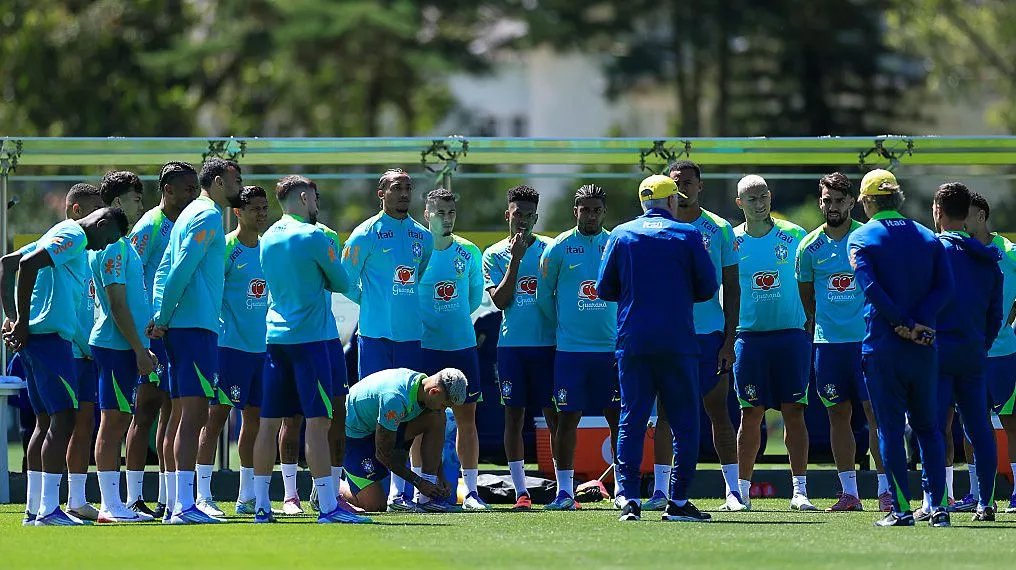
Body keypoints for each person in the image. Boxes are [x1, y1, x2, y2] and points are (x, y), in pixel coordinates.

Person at [597, 174, 717, 523]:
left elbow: (605, 289)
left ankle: (628, 499)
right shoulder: (688, 234)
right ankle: (677, 502)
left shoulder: (620, 234)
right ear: (671, 201)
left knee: (631, 420)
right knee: (684, 423)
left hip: (633, 339)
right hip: (677, 341)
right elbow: (708, 287)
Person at [253, 175, 370, 524]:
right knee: (318, 423)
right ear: (304, 197)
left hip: (276, 339)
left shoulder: (267, 238)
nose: (317, 204)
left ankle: (261, 506)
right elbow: (343, 282)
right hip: (311, 339)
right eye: (315, 198)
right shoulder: (315, 235)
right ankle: (328, 508)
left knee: (268, 424)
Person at [1, 206, 127, 525]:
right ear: (100, 223)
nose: (103, 246)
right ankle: (49, 510)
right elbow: (26, 265)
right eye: (107, 237)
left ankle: (34, 509)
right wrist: (22, 323)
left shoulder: (58, 232)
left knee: (45, 422)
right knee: (64, 420)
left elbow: (7, 264)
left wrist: (15, 320)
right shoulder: (74, 235)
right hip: (50, 340)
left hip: (39, 339)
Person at [847, 169, 953, 527]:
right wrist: (919, 324)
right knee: (929, 427)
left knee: (889, 429)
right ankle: (937, 508)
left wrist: (902, 324)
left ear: (866, 201)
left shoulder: (861, 238)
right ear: (899, 198)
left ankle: (902, 509)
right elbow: (945, 288)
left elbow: (871, 288)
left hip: (883, 346)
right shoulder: (928, 237)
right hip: (924, 345)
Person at [650, 160, 745, 512]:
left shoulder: (719, 229)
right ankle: (661, 489)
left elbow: (732, 287)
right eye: (676, 183)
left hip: (708, 335)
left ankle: (733, 491)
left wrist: (729, 339)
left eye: (688, 182)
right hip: (669, 335)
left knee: (718, 409)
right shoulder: (657, 227)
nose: (682, 188)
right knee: (665, 412)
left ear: (700, 186)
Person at [151, 157, 241, 524]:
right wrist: (163, 317)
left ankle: (176, 503)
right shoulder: (205, 215)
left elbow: (163, 270)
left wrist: (160, 314)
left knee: (179, 418)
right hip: (192, 328)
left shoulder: (189, 214)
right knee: (193, 417)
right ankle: (184, 507)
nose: (240, 186)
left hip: (185, 325)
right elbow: (180, 268)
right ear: (218, 182)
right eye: (237, 180)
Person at [795, 172, 889, 512]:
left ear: (852, 202)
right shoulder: (809, 246)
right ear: (821, 201)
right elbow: (808, 298)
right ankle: (849, 493)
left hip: (867, 343)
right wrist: (821, 327)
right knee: (838, 415)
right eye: (826, 200)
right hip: (829, 346)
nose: (832, 207)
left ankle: (885, 490)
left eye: (839, 200)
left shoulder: (867, 238)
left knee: (876, 415)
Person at [342, 168, 432, 509]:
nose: (404, 193)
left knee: (408, 413)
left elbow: (418, 273)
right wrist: (370, 300)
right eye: (397, 187)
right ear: (382, 193)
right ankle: (365, 482)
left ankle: (401, 491)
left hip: (410, 337)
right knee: (377, 413)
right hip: (375, 337)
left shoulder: (421, 237)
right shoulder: (365, 232)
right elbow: (346, 278)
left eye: (408, 188)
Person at [730, 175, 815, 511]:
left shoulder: (794, 235)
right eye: (751, 198)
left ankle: (800, 491)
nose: (759, 203)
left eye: (763, 196)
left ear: (770, 196)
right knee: (749, 414)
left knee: (795, 411)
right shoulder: (731, 240)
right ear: (740, 204)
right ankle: (741, 493)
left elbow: (811, 278)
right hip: (748, 337)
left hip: (791, 335)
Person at [536, 184, 620, 511]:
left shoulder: (615, 243)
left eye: (596, 209)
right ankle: (564, 492)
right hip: (570, 351)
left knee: (618, 419)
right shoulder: (558, 247)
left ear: (604, 211)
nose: (591, 215)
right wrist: (563, 326)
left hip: (610, 350)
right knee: (567, 419)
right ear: (576, 211)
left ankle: (624, 488)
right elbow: (545, 295)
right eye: (585, 209)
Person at [921, 183, 1001, 523]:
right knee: (979, 429)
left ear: (938, 212)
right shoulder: (987, 259)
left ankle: (935, 503)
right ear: (966, 214)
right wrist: (979, 345)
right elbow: (995, 316)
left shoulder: (929, 252)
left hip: (936, 354)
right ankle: (985, 503)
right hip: (972, 353)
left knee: (933, 429)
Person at [125, 161, 198, 518]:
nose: (193, 195)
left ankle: (170, 498)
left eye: (195, 188)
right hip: (152, 333)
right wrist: (144, 328)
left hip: (174, 329)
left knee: (173, 411)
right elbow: (128, 273)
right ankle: (132, 497)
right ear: (167, 190)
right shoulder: (151, 225)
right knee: (146, 410)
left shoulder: (187, 223)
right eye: (187, 189)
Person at [191, 185, 270, 517]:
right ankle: (202, 495)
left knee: (254, 421)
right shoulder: (224, 248)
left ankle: (246, 495)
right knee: (215, 420)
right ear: (237, 212)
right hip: (228, 349)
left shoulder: (270, 249)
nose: (262, 214)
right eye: (255, 208)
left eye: (265, 208)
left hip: (262, 351)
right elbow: (208, 293)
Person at [482, 185, 557, 511]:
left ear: (536, 217)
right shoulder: (494, 254)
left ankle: (564, 489)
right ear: (507, 215)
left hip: (549, 346)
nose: (522, 221)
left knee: (555, 417)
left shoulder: (552, 249)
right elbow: (501, 300)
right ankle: (521, 492)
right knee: (514, 417)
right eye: (517, 215)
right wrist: (515, 259)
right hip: (512, 347)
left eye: (528, 216)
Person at [89, 170, 158, 523]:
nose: (139, 205)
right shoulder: (114, 245)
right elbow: (117, 305)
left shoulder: (120, 242)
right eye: (134, 198)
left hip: (123, 346)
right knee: (113, 421)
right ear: (116, 202)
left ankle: (116, 503)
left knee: (119, 418)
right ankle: (109, 505)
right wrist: (138, 349)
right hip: (117, 347)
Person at [418, 188, 487, 510]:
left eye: (451, 213)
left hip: (461, 344)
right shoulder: (416, 249)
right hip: (425, 346)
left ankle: (471, 491)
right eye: (439, 212)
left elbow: (473, 299)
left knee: (466, 418)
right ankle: (420, 488)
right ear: (426, 214)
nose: (446, 219)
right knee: (420, 419)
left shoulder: (469, 251)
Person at [340, 367, 468, 512]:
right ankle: (330, 488)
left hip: (377, 429)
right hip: (353, 438)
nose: (444, 408)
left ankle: (426, 499)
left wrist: (440, 477)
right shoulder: (395, 398)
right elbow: (383, 454)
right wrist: (419, 482)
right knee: (375, 505)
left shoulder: (422, 388)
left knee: (437, 417)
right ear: (434, 392)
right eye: (444, 405)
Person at [966, 192, 1016, 514]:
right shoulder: (958, 251)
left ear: (981, 216)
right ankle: (976, 493)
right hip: (969, 354)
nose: (962, 222)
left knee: (1011, 421)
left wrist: (1011, 319)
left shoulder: (1009, 252)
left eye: (966, 215)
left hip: (1003, 354)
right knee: (973, 424)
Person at [65, 184, 108, 522]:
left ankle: (75, 499)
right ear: (78, 211)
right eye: (95, 212)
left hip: (88, 352)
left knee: (84, 425)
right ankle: (59, 499)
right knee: (64, 426)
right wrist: (85, 345)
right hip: (76, 352)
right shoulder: (63, 250)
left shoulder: (90, 252)